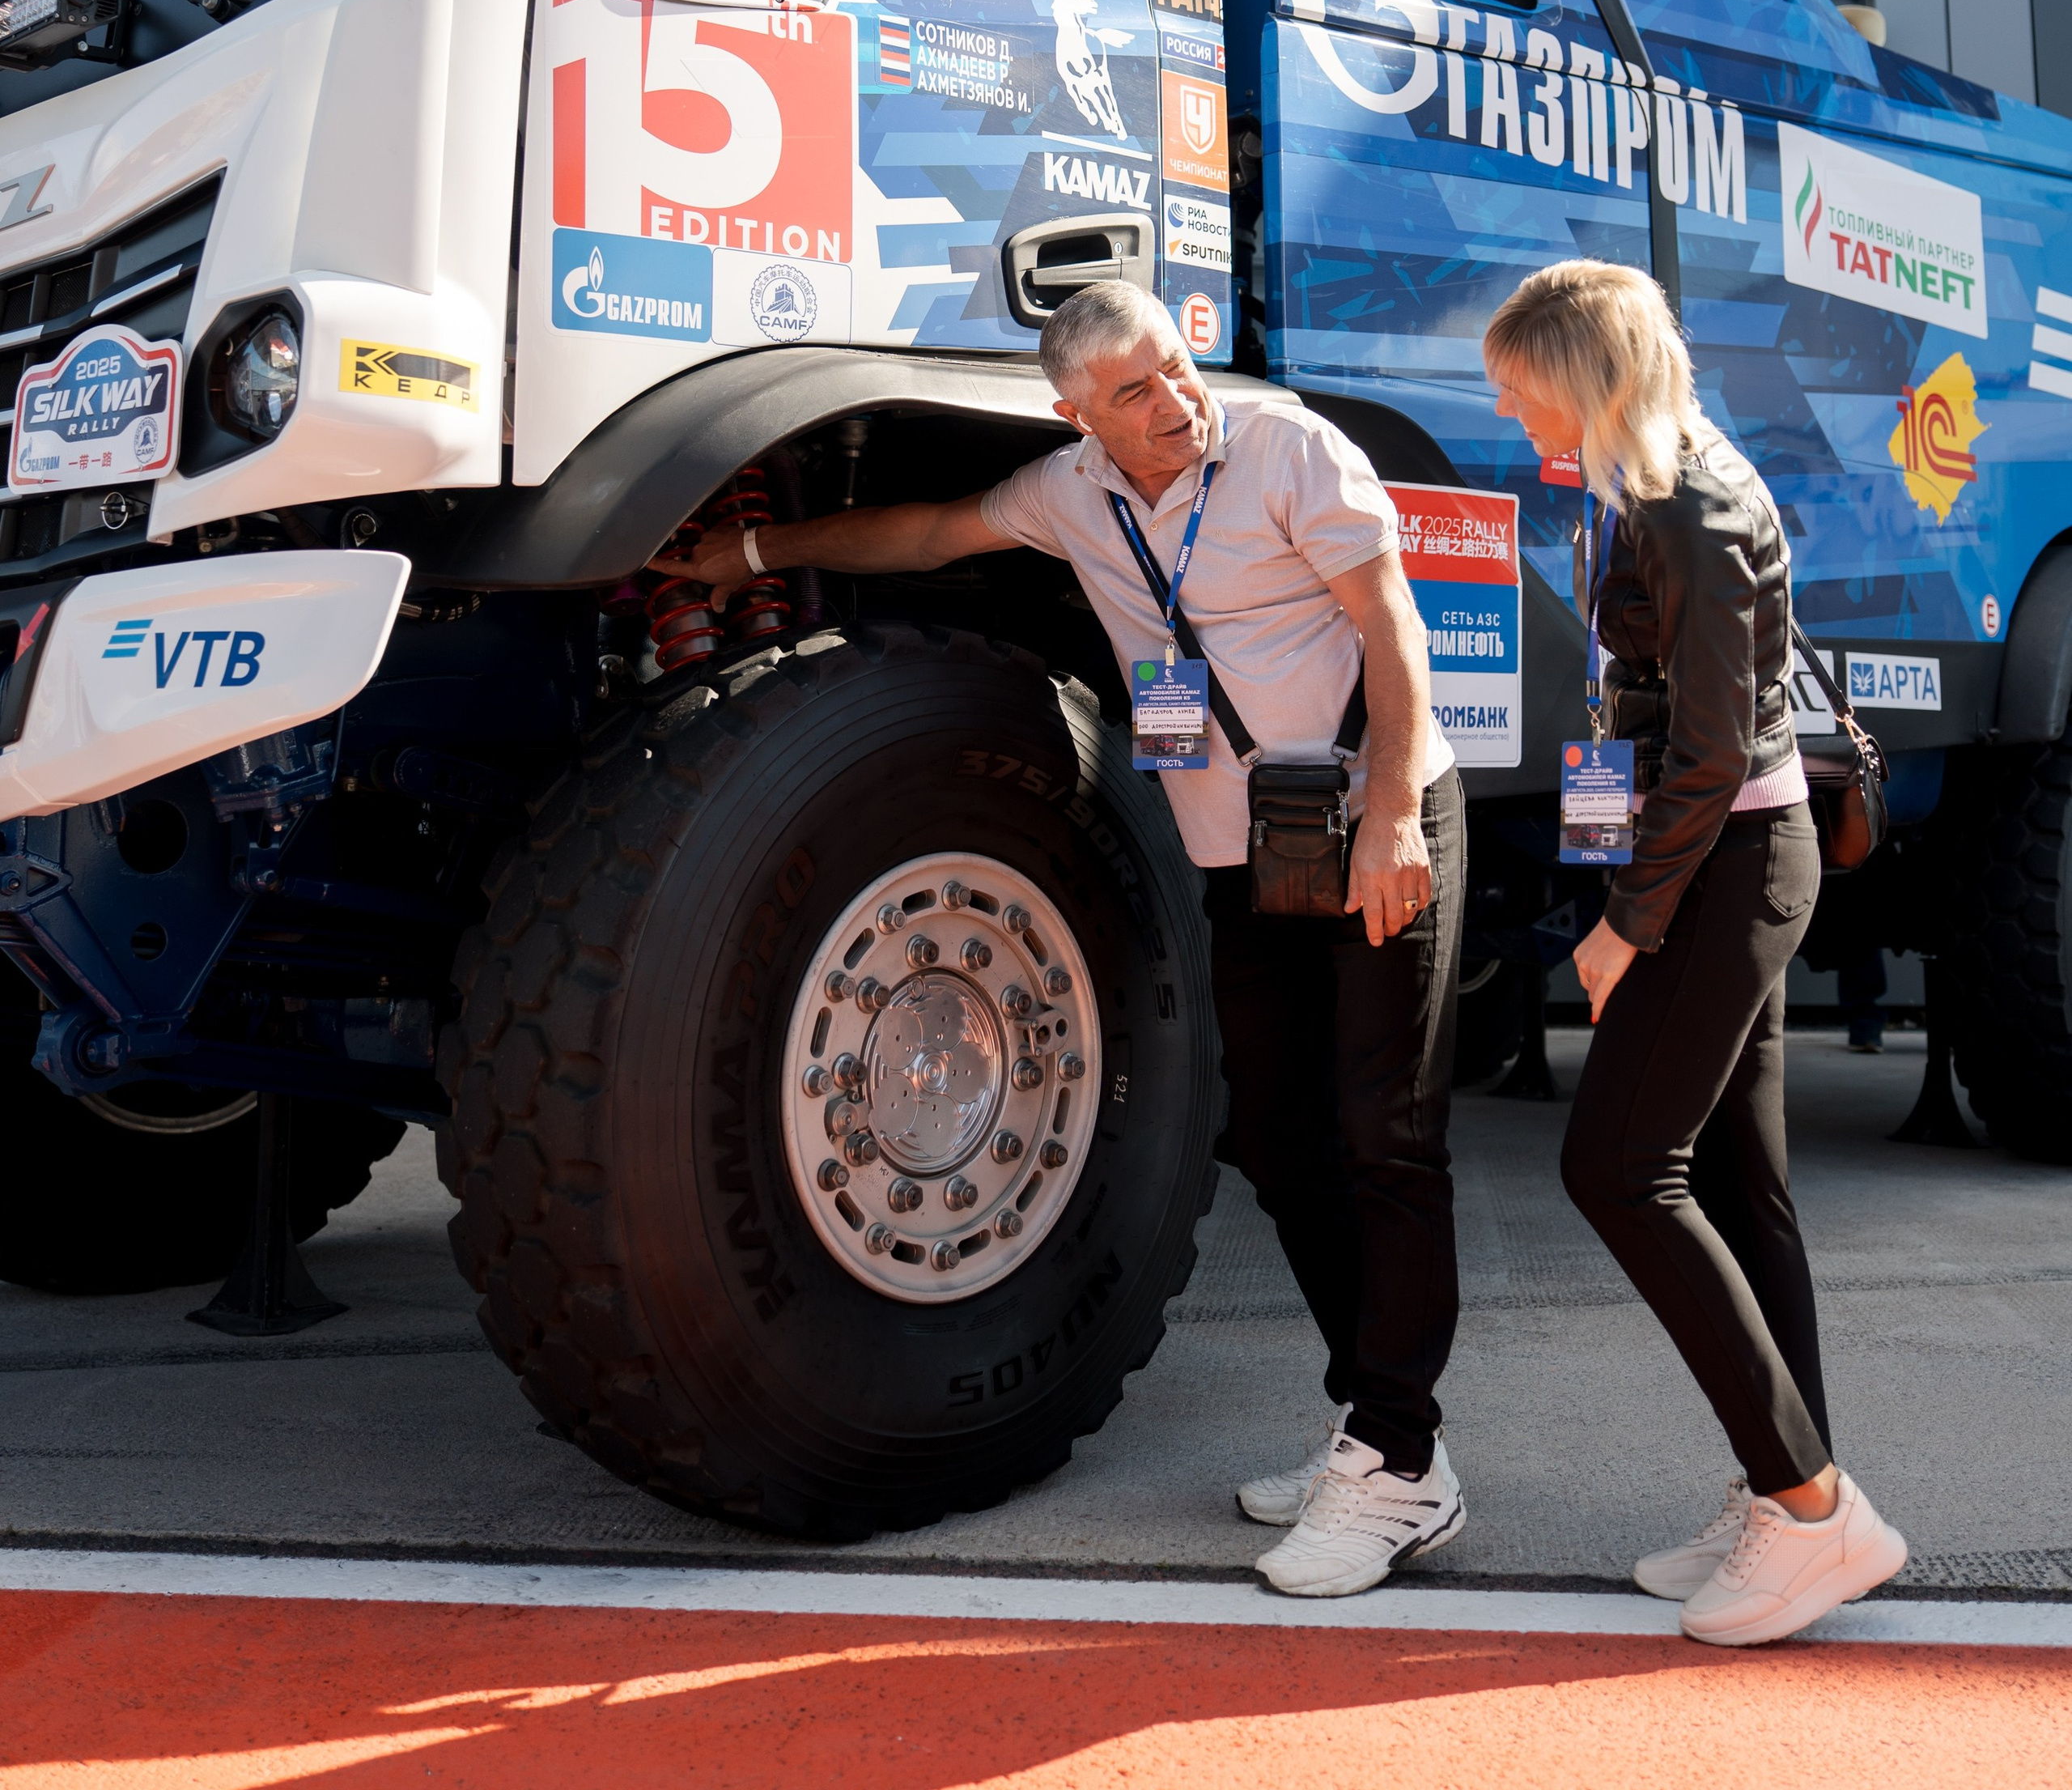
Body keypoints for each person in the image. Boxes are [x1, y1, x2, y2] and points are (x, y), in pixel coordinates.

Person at [673, 280, 1466, 1597]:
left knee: (1387, 1138)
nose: (1175, 405)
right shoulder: (1073, 493)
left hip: (1370, 820)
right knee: (1275, 1137)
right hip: (1249, 854)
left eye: (1177, 370)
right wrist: (752, 559)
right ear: (1077, 415)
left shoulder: (1286, 449)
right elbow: (927, 534)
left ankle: (1392, 1455)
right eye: (1136, 394)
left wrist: (1393, 817)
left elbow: (1393, 629)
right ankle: (1383, 1440)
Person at [1484, 256, 1907, 1648]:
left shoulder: (1693, 501)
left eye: (1523, 395)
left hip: (1728, 869)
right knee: (1738, 1183)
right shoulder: (1653, 481)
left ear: (1585, 378)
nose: (1515, 422)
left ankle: (1811, 1507)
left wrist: (1622, 927)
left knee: (1615, 1165)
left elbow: (1717, 752)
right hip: (1726, 862)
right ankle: (1789, 1494)